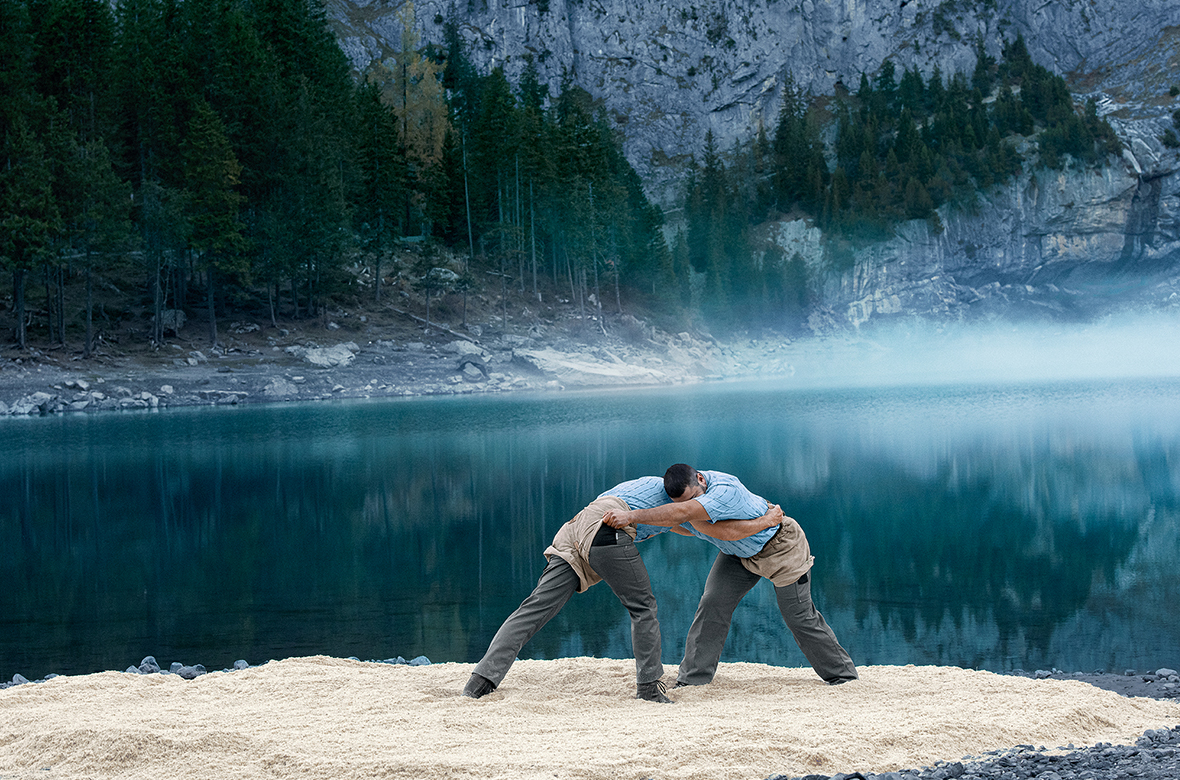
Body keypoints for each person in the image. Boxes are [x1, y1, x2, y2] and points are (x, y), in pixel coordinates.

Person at [462, 476, 783, 703]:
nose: (694, 503)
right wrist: (767, 520)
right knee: (643, 608)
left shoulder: (645, 489)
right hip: (608, 528)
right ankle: (648, 688)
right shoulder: (679, 501)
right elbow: (701, 523)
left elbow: (688, 527)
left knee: (532, 609)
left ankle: (481, 681)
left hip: (574, 530)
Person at [602, 463, 858, 687]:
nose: (691, 505)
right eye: (683, 503)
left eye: (693, 498)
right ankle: (693, 678)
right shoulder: (690, 505)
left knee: (799, 615)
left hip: (780, 545)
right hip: (738, 554)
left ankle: (843, 675)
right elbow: (684, 524)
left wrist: (632, 516)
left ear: (700, 479)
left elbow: (727, 532)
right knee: (712, 603)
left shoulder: (726, 489)